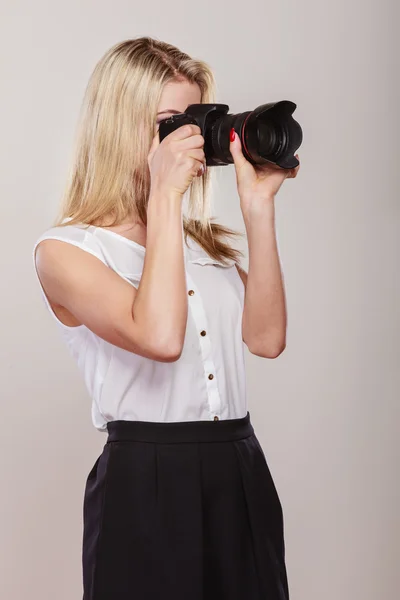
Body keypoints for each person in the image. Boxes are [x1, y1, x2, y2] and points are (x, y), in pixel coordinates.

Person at [33, 36, 299, 600]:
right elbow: (159, 337)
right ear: (119, 125)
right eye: (168, 123)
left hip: (239, 465)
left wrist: (258, 208)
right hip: (145, 478)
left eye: (194, 121)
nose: (189, 140)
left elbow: (267, 338)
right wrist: (164, 197)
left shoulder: (203, 246)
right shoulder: (68, 251)